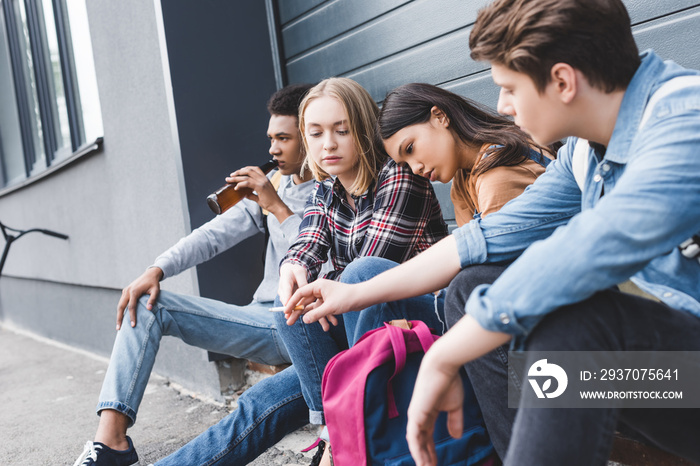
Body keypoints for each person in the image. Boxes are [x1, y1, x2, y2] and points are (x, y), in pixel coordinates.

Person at [282, 1, 700, 465]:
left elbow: (590, 248)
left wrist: (446, 357)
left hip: (684, 380)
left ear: (561, 81)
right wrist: (352, 293)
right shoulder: (583, 154)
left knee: (573, 332)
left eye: (508, 87)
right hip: (664, 377)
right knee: (481, 294)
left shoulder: (685, 121)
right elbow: (480, 239)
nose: (501, 105)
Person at [73, 83, 317, 466]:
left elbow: (311, 262)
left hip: (296, 323)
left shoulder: (331, 191)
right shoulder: (279, 182)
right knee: (149, 303)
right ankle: (111, 444)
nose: (272, 149)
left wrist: (277, 207)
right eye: (270, 138)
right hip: (259, 318)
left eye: (283, 139)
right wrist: (157, 268)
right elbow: (213, 236)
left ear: (310, 136)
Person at [273, 77, 449, 464]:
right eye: (315, 133)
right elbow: (308, 240)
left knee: (359, 273)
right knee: (286, 295)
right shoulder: (328, 188)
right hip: (362, 329)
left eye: (342, 130)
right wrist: (293, 265)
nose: (328, 145)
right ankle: (335, 427)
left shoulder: (399, 176)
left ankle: (355, 421)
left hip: (423, 322)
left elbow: (371, 271)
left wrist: (318, 287)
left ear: (364, 130)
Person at [377, 82, 555, 226]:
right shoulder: (463, 179)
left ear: (440, 117)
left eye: (410, 148)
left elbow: (493, 261)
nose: (415, 169)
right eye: (406, 164)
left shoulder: (499, 171)